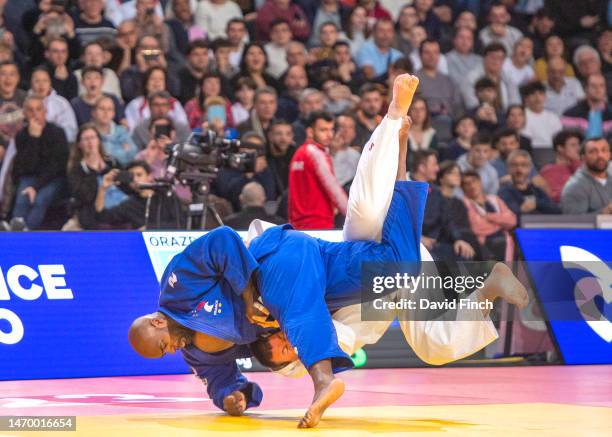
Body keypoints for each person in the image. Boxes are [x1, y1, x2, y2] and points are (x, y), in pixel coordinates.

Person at [128, 75, 529, 426]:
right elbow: (219, 379)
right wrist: (233, 399)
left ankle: (392, 120)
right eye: (167, 353)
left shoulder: (177, 288)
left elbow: (221, 242)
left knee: (364, 213)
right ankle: (483, 284)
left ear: (158, 322)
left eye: (164, 345)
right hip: (351, 273)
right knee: (415, 302)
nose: (172, 351)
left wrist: (249, 292)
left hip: (279, 257)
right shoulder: (203, 349)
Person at [11, 95, 68, 230]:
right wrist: (34, 139)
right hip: (30, 176)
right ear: (24, 113)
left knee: (40, 199)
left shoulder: (57, 132)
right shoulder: (22, 135)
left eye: (38, 109)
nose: (35, 114)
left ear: (45, 111)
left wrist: (36, 187)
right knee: (21, 199)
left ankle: (27, 232)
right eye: (30, 110)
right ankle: (15, 230)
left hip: (53, 178)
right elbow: (26, 166)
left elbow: (57, 166)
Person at [288, 110, 347, 229]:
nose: (330, 135)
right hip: (319, 224)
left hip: (297, 226)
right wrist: (355, 217)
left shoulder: (298, 154)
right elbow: (333, 190)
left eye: (331, 129)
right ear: (310, 131)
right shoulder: (316, 153)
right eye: (323, 130)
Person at [65, 124, 123, 230]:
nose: (90, 142)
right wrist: (93, 169)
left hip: (116, 208)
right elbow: (85, 197)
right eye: (86, 139)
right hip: (90, 213)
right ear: (79, 144)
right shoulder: (76, 169)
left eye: (93, 137)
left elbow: (124, 186)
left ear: (98, 140)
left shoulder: (111, 162)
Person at [95, 160, 181, 229]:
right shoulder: (129, 205)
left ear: (149, 176)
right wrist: (102, 188)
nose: (135, 179)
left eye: (139, 175)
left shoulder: (167, 195)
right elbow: (102, 217)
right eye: (132, 177)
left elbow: (181, 222)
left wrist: (149, 228)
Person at [462, 170, 517, 261]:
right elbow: (477, 228)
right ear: (463, 188)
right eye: (466, 184)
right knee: (500, 242)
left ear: (480, 182)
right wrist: (500, 223)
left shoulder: (494, 199)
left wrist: (488, 217)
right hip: (484, 242)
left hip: (504, 238)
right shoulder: (465, 204)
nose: (471, 186)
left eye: (474, 181)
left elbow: (512, 220)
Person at [498, 150, 560, 223]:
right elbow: (512, 216)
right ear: (508, 169)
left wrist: (536, 204)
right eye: (514, 165)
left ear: (530, 168)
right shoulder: (504, 192)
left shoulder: (537, 190)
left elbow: (557, 211)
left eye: (523, 165)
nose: (519, 170)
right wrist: (521, 210)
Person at [560, 137, 612, 215]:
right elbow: (574, 222)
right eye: (593, 152)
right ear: (583, 157)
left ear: (609, 154)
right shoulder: (575, 186)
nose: (600, 155)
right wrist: (606, 212)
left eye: (604, 150)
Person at [562, 74, 612, 139]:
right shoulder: (570, 114)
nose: (598, 89)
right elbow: (569, 142)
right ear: (586, 89)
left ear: (605, 89)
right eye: (593, 86)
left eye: (601, 86)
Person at [540, 130, 583, 204]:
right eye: (573, 145)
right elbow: (556, 196)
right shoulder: (549, 170)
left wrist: (576, 162)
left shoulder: (583, 166)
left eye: (578, 144)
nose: (578, 148)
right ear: (560, 148)